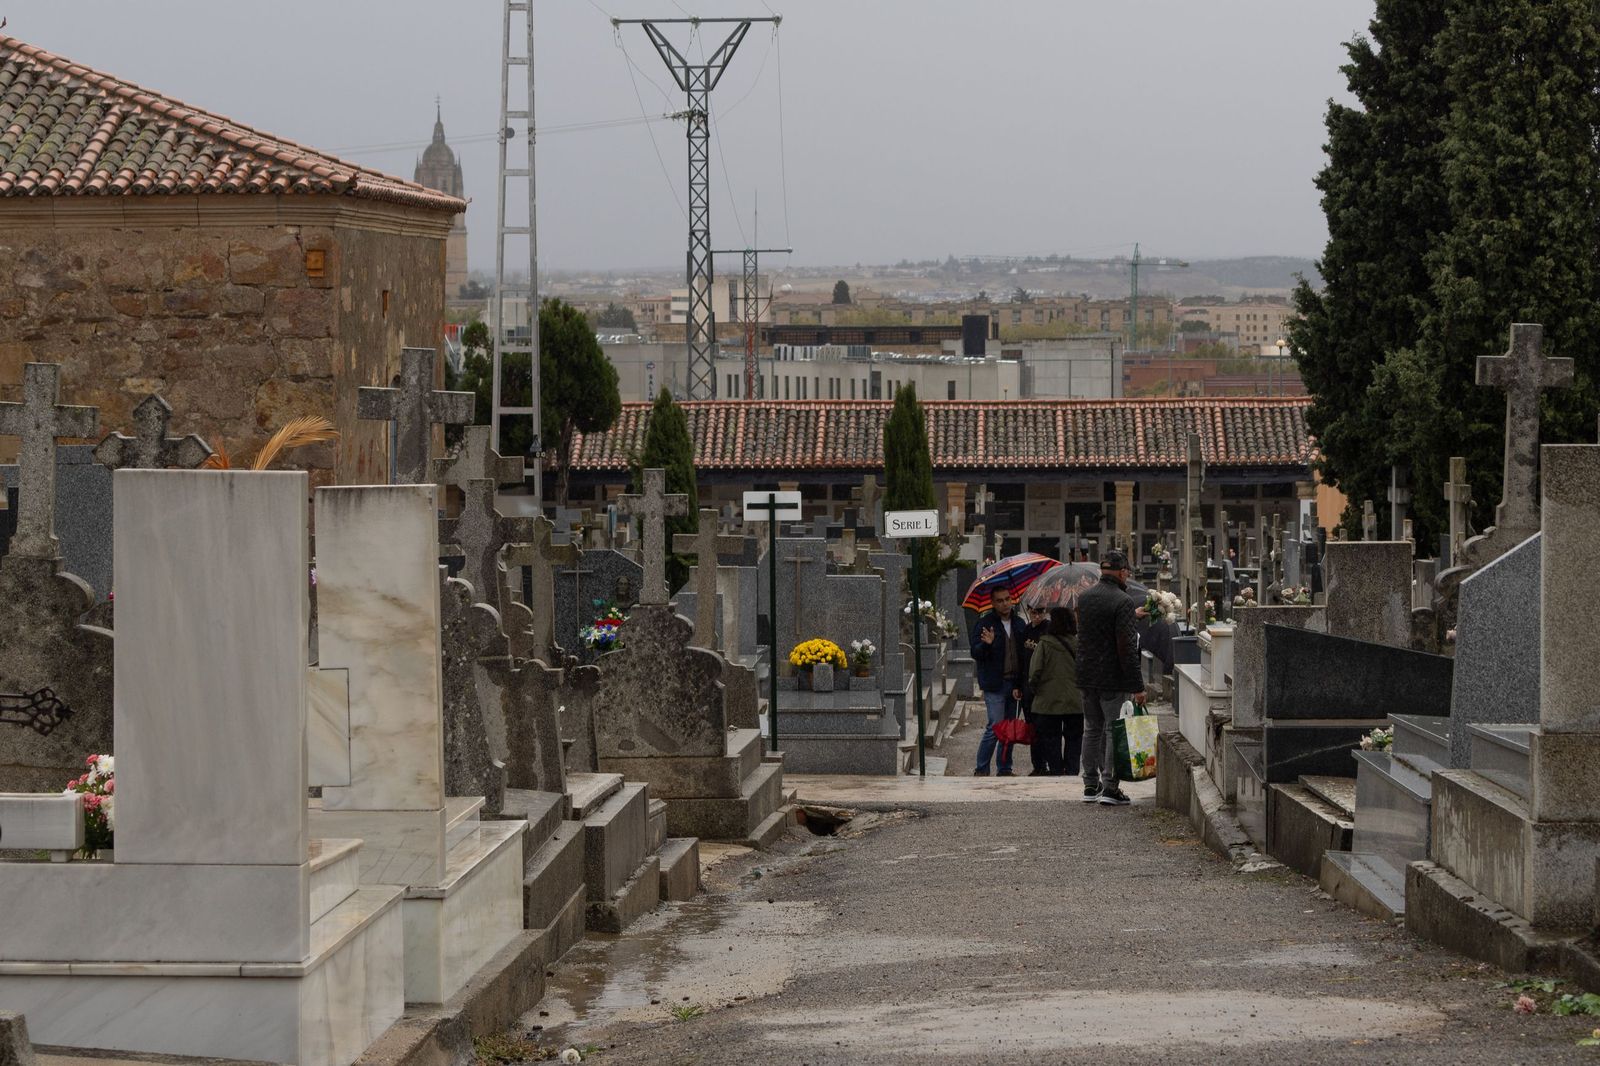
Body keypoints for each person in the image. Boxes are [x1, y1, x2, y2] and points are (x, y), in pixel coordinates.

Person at [1076, 549, 1147, 805]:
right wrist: (1137, 686)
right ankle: (1110, 787)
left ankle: (1089, 785)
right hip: (1112, 677)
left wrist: (1132, 617)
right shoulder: (1123, 601)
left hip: (1086, 674)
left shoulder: (1084, 598)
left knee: (1091, 730)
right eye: (1127, 572)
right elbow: (1126, 648)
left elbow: (1096, 631)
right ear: (1122, 572)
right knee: (1112, 730)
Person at [970, 585, 1025, 777]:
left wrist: (1020, 684)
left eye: (1007, 599)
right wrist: (987, 645)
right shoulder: (986, 624)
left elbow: (1023, 655)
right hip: (995, 683)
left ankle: (1005, 768)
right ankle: (981, 768)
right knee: (995, 726)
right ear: (992, 603)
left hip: (1014, 683)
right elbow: (975, 652)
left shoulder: (1019, 623)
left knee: (1009, 730)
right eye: (1000, 600)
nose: (1005, 603)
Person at [1025, 606, 1082, 776]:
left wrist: (1035, 690)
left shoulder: (1044, 644)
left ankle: (1056, 770)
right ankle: (1072, 770)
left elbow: (1035, 671)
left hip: (1048, 701)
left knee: (1051, 738)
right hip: (1075, 700)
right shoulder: (1078, 644)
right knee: (1074, 738)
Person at [1018, 606, 1050, 775]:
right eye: (1033, 613)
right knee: (1032, 727)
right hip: (1027, 685)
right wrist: (1018, 685)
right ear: (1029, 612)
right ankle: (1037, 765)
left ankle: (1046, 763)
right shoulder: (1026, 630)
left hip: (1044, 686)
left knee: (1044, 727)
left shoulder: (1048, 629)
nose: (1037, 616)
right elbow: (1021, 659)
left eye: (1040, 612)